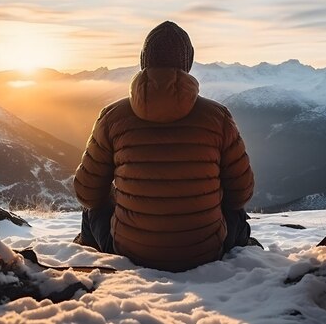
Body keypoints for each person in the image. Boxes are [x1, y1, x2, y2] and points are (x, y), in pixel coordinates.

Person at [73, 21, 257, 272]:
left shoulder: (112, 117)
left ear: (143, 61)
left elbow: (87, 193)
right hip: (205, 252)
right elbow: (242, 193)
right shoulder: (218, 117)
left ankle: (87, 250)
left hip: (129, 252)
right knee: (235, 211)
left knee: (93, 204)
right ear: (187, 63)